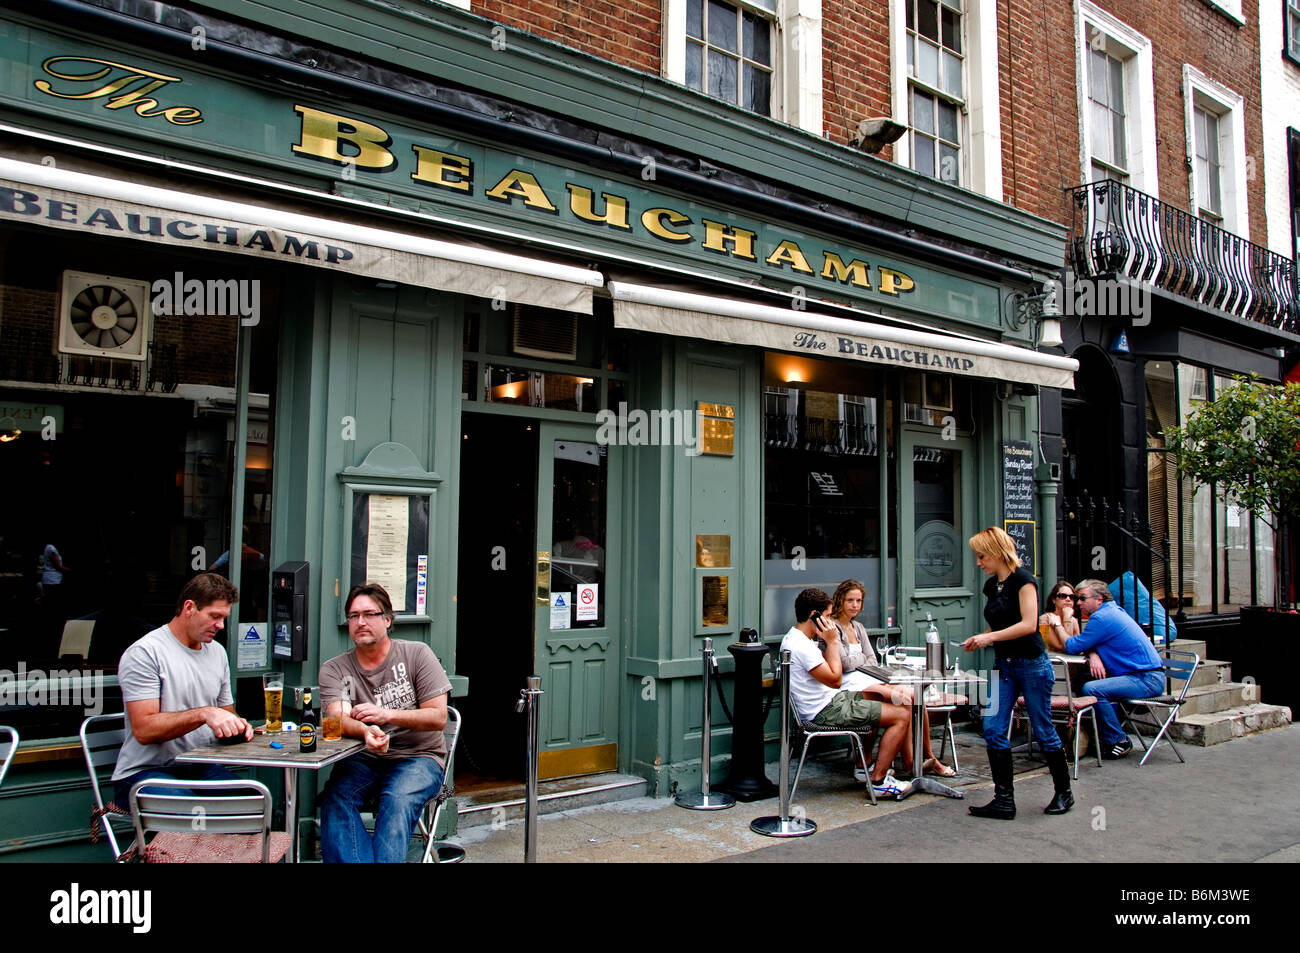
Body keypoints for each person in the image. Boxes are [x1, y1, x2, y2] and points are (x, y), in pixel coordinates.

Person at [318, 583, 451, 863]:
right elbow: (337, 718)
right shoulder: (335, 669)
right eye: (353, 616)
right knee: (336, 797)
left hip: (418, 757)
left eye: (369, 614)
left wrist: (386, 715)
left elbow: (438, 717)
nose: (360, 622)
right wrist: (366, 731)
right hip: (362, 757)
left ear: (387, 620)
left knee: (396, 799)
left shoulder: (417, 654)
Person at [111, 573, 251, 806]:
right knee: (192, 811)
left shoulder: (217, 652)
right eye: (215, 616)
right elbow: (144, 730)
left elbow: (227, 713)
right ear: (189, 608)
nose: (221, 625)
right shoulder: (146, 653)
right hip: (144, 773)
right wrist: (205, 713)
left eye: (224, 617)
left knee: (254, 804)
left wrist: (238, 725)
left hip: (200, 766)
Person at [962, 527, 1073, 818]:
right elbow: (999, 625)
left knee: (1043, 728)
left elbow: (1028, 624)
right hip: (1004, 666)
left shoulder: (1024, 581)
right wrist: (981, 637)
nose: (979, 562)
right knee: (993, 728)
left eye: (982, 555)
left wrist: (990, 638)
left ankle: (1064, 792)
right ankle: (1004, 800)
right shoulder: (991, 586)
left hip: (1031, 665)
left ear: (998, 553)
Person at [781, 587, 914, 798]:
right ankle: (879, 782)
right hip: (825, 711)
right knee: (902, 715)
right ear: (814, 616)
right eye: (826, 617)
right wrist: (833, 641)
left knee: (888, 697)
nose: (830, 622)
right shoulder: (801, 646)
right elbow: (835, 679)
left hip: (831, 702)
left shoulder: (797, 638)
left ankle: (864, 767)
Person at [828, 579, 954, 777]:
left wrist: (859, 660)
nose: (855, 605)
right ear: (839, 601)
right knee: (909, 698)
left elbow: (873, 660)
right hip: (849, 685)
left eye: (859, 601)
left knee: (913, 697)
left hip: (868, 677)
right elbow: (844, 664)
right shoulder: (832, 628)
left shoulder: (858, 627)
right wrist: (861, 659)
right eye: (850, 600)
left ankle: (921, 759)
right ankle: (918, 762)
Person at [1049, 579, 1166, 760]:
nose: (1077, 603)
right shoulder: (1110, 612)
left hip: (1145, 679)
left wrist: (1057, 624)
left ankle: (1118, 740)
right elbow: (1090, 641)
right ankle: (1092, 735)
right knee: (1083, 680)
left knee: (1092, 688)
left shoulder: (1102, 618)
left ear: (1099, 599)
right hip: (1140, 675)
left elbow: (1072, 646)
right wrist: (1094, 653)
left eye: (1082, 598)